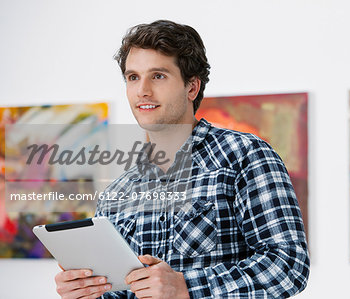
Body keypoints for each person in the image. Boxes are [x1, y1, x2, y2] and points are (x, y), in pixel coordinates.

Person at [54, 20, 309, 299]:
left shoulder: (245, 156)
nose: (143, 91)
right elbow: (122, 291)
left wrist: (186, 287)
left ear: (192, 87)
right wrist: (89, 291)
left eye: (158, 76)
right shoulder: (117, 192)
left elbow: (288, 266)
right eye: (133, 77)